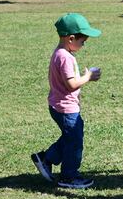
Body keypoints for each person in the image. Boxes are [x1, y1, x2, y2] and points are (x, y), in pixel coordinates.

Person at [31, 13, 102, 189]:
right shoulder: (65, 57)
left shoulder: (60, 53)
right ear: (71, 38)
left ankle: (46, 158)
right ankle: (69, 177)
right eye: (83, 41)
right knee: (74, 142)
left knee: (71, 137)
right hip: (66, 108)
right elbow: (71, 85)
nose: (83, 45)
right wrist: (88, 77)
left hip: (59, 105)